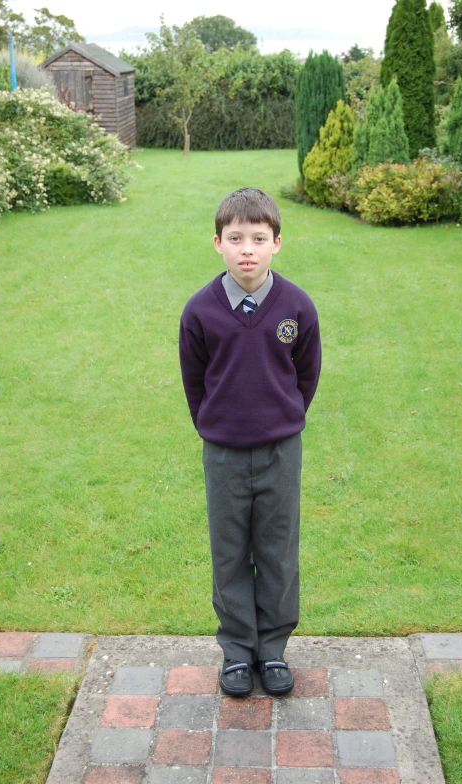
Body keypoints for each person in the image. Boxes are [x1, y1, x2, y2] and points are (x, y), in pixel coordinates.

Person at [179, 187, 321, 696]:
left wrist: (282, 420)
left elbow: (307, 375)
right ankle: (238, 650)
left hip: (281, 452)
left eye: (258, 238)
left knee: (278, 551)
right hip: (223, 454)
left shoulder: (297, 306)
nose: (247, 249)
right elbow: (194, 381)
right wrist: (215, 427)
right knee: (231, 552)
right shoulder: (200, 310)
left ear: (276, 243)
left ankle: (274, 650)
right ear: (217, 242)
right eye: (235, 238)